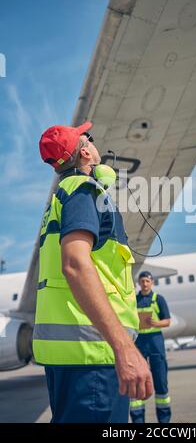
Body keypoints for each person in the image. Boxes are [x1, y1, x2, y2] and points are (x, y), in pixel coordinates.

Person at [32, 122, 153, 423]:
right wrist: (123, 347)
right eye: (90, 138)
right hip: (93, 356)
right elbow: (75, 264)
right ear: (85, 151)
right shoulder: (83, 191)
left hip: (74, 358)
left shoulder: (63, 197)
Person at [130, 271, 172, 423]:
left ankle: (164, 421)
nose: (145, 284)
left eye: (147, 281)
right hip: (139, 343)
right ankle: (138, 421)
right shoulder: (134, 300)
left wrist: (156, 323)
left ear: (152, 282)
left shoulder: (158, 299)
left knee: (160, 382)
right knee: (137, 382)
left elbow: (167, 321)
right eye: (142, 281)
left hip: (155, 343)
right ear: (139, 283)